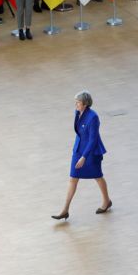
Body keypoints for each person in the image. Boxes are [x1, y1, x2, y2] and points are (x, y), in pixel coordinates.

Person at [52, 91, 111, 220]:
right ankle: (65, 210)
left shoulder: (93, 117)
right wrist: (78, 153)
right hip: (78, 149)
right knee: (73, 178)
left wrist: (84, 157)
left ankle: (106, 201)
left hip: (91, 152)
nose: (76, 104)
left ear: (85, 104)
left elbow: (93, 139)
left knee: (98, 176)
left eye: (78, 102)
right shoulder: (77, 112)